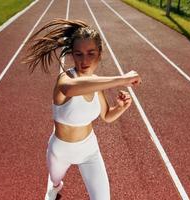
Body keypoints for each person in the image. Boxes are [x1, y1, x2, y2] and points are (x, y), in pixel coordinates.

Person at [24, 18, 142, 200]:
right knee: (55, 182)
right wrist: (123, 78)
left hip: (89, 150)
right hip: (60, 151)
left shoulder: (96, 85)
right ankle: (55, 186)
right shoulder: (65, 79)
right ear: (72, 54)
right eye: (78, 54)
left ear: (100, 54)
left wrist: (121, 107)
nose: (84, 60)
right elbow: (71, 88)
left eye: (90, 53)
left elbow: (107, 116)